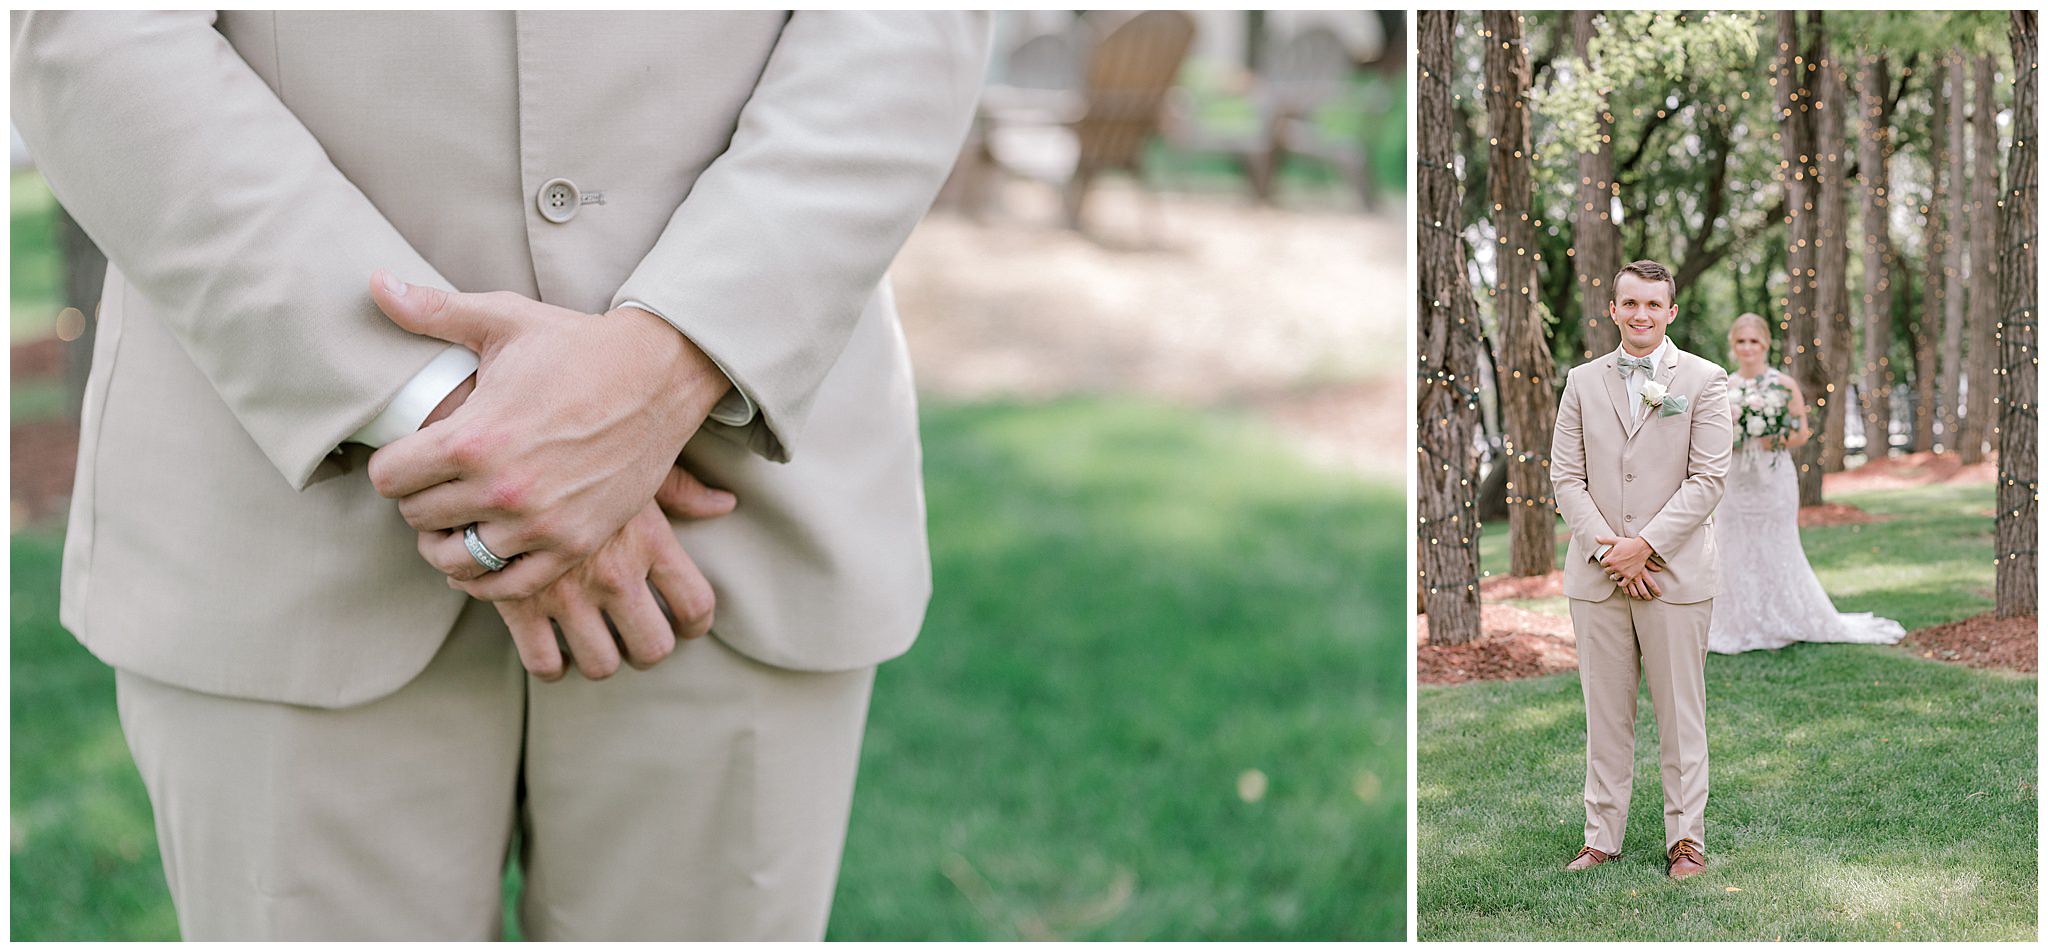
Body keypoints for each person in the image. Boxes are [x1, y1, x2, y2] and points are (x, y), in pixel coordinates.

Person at [12, 11, 988, 940]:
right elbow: (90, 28)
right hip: (284, 513)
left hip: (735, 497)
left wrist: (674, 361)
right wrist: (445, 409)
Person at [1549, 259, 1733, 881]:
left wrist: (1645, 547)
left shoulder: (1706, 381)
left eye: (1653, 305)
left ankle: (1686, 840)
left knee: (1682, 715)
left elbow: (1707, 480)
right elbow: (1566, 478)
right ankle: (1601, 836)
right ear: (1614, 309)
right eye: (1631, 304)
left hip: (1674, 578)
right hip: (1598, 578)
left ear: (1671, 312)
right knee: (1605, 715)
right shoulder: (1581, 381)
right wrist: (1609, 552)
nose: (1641, 315)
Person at [1706, 313, 1906, 654]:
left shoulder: (1783, 385)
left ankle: (1785, 617)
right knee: (1732, 545)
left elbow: (1801, 432)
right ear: (1733, 345)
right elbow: (1713, 434)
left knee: (1778, 545)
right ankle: (1737, 622)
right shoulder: (1724, 386)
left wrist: (1774, 438)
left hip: (1773, 478)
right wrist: (1734, 437)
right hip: (1737, 479)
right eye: (1741, 341)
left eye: (1754, 341)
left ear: (1766, 344)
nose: (1748, 347)